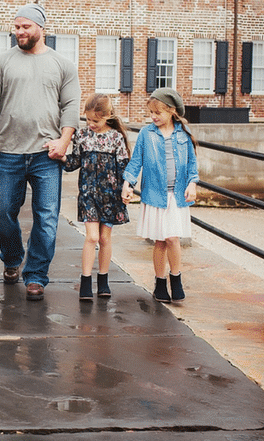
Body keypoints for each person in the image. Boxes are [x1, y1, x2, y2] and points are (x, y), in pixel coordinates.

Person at [0, 3, 81, 301]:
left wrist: (64, 140)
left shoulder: (62, 65)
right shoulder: (1, 62)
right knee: (2, 211)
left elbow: (71, 106)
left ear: (41, 28)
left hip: (47, 155)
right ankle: (12, 259)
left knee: (47, 217)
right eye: (17, 27)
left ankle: (36, 275)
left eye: (25, 27)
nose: (19, 32)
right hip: (9, 151)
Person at [121, 87, 199, 303]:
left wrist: (192, 184)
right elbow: (136, 161)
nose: (154, 117)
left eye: (158, 113)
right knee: (160, 241)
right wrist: (128, 183)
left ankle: (176, 279)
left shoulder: (183, 135)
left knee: (173, 239)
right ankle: (159, 282)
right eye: (151, 113)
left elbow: (192, 165)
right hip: (155, 195)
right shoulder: (147, 134)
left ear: (172, 111)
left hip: (177, 196)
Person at [64, 93, 130, 300]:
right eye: (88, 119)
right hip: (88, 194)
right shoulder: (82, 136)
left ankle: (103, 280)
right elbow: (73, 163)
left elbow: (124, 168)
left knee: (104, 238)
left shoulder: (116, 138)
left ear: (108, 116)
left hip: (111, 196)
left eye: (96, 120)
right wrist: (60, 156)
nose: (90, 124)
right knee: (92, 237)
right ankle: (85, 281)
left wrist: (127, 189)